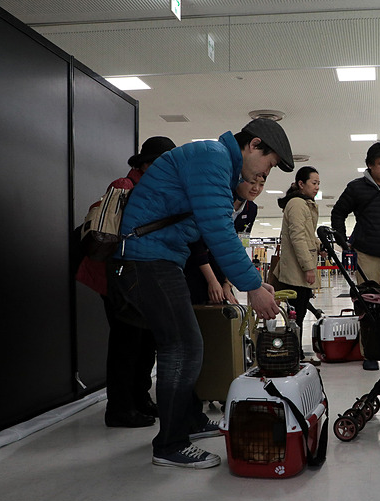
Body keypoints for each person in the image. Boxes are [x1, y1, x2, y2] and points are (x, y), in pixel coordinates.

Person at [108, 118, 292, 469]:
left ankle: (189, 422)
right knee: (183, 346)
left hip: (158, 258)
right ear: (254, 146)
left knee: (184, 344)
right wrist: (252, 286)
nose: (264, 172)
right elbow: (218, 231)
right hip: (146, 258)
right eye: (268, 163)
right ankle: (170, 444)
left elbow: (212, 228)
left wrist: (252, 281)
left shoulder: (218, 163)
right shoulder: (213, 158)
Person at [76, 136, 176, 428]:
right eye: (160, 163)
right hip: (116, 278)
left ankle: (140, 398)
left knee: (146, 342)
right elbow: (118, 232)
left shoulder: (152, 189)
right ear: (145, 164)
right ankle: (120, 409)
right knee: (126, 344)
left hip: (136, 279)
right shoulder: (124, 186)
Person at [331, 141, 380, 370]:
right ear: (369, 165)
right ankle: (370, 353)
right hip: (366, 255)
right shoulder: (356, 188)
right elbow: (338, 214)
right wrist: (344, 243)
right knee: (369, 306)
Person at [183, 175, 265, 305]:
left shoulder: (251, 209)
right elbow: (196, 242)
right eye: (251, 182)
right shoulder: (218, 200)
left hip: (220, 268)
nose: (256, 188)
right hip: (195, 264)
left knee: (226, 309)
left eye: (261, 184)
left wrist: (228, 283)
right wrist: (212, 281)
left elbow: (240, 245)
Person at [271, 166, 321, 362]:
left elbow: (308, 234)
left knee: (298, 314)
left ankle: (296, 353)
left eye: (318, 183)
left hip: (298, 268)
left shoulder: (303, 204)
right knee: (296, 316)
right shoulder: (298, 204)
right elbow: (298, 237)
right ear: (301, 184)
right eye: (313, 183)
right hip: (297, 270)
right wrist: (308, 267)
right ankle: (294, 355)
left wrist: (318, 245)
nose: (317, 187)